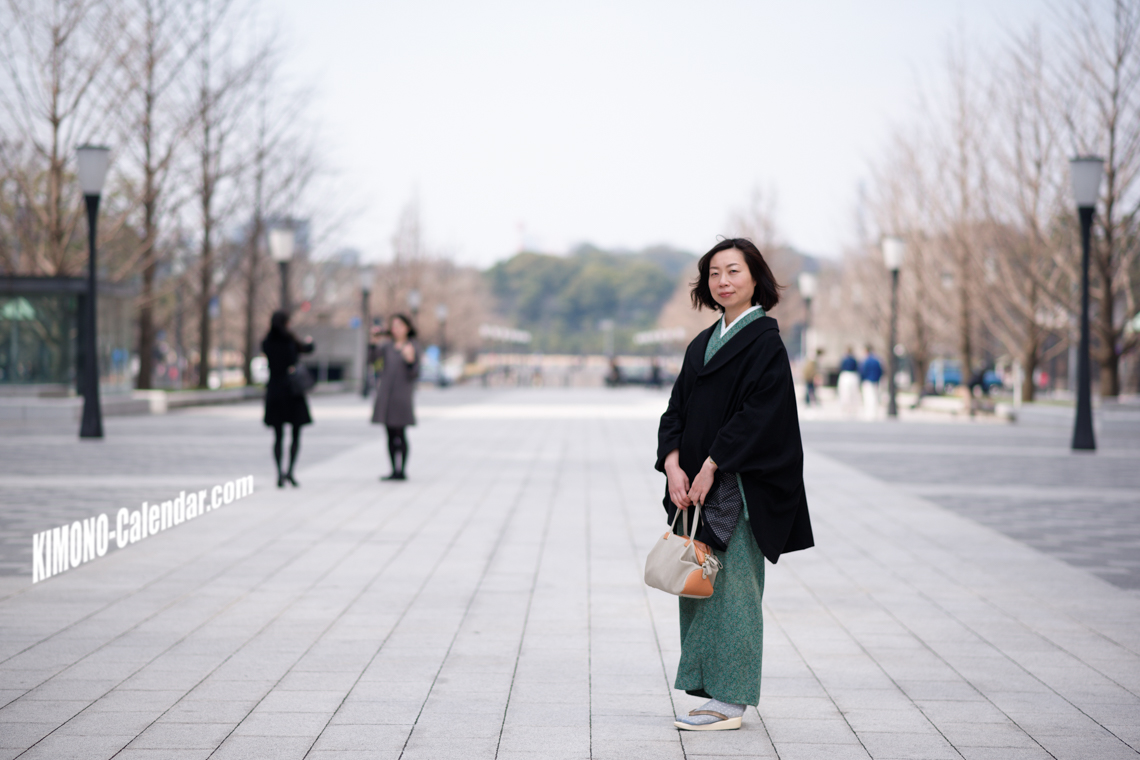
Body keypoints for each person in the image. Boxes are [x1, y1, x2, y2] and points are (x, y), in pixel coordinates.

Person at [657, 238, 814, 732]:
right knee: (697, 585)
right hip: (694, 488)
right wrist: (673, 462)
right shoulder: (703, 342)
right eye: (714, 274)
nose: (723, 281)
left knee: (735, 592)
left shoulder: (765, 340)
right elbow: (676, 409)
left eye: (733, 271)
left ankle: (732, 700)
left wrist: (711, 465)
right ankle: (708, 693)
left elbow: (760, 416)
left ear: (754, 278)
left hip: (739, 489)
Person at [262, 311, 314, 488]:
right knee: (296, 434)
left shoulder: (266, 343)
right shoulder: (291, 341)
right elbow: (307, 349)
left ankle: (279, 473)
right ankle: (290, 471)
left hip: (275, 391)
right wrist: (309, 341)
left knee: (278, 436)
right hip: (293, 392)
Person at [370, 313, 420, 480]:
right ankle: (393, 469)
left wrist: (410, 360)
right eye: (394, 326)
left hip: (402, 395)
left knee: (401, 432)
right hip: (386, 394)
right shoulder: (387, 347)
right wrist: (373, 344)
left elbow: (415, 374)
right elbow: (372, 361)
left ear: (407, 328)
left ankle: (402, 470)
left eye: (399, 325)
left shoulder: (412, 346)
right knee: (389, 433)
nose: (396, 329)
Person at [861, 344, 883, 419]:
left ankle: (869, 413)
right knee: (874, 397)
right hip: (875, 381)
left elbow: (863, 371)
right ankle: (874, 412)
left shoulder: (866, 360)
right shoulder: (877, 360)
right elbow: (880, 371)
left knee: (868, 397)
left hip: (868, 381)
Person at [837, 346, 860, 417]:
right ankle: (851, 408)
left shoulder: (844, 359)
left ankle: (846, 408)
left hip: (846, 376)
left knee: (845, 393)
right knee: (852, 393)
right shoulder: (854, 359)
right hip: (852, 376)